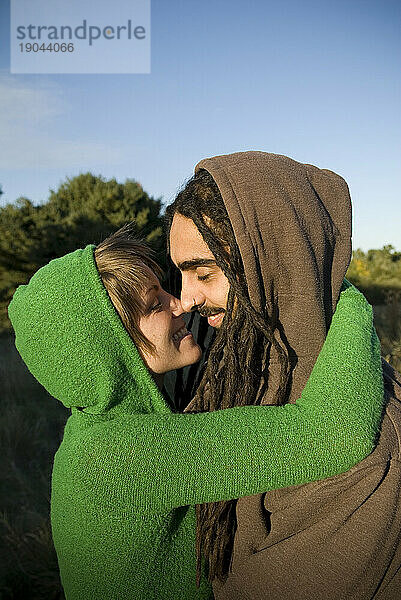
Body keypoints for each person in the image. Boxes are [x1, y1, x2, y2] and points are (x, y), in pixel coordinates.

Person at [8, 221, 384, 600]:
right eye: (155, 304)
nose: (181, 302)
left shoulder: (99, 433)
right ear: (107, 347)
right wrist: (337, 291)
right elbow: (333, 434)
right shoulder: (115, 456)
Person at [165, 150, 401, 600]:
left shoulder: (379, 435)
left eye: (203, 273)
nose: (186, 299)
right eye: (181, 274)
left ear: (273, 262)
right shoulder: (230, 378)